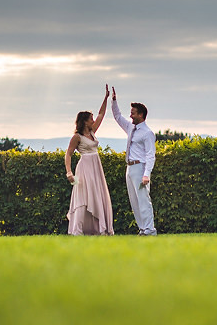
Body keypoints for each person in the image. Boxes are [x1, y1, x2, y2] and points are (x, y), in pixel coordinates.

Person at [65, 85, 114, 235]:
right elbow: (68, 154)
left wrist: (106, 98)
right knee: (83, 196)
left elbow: (101, 114)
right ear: (85, 121)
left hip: (96, 166)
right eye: (90, 119)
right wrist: (69, 172)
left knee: (97, 194)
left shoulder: (93, 132)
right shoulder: (77, 137)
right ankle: (78, 229)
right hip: (85, 167)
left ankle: (99, 228)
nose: (93, 120)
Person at [111, 86, 157, 236]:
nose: (130, 116)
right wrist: (113, 100)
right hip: (129, 168)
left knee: (143, 200)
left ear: (141, 114)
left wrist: (146, 174)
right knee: (134, 202)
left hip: (140, 167)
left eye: (133, 113)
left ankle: (150, 230)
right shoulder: (131, 128)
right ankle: (142, 229)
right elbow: (118, 117)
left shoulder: (147, 133)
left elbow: (151, 155)